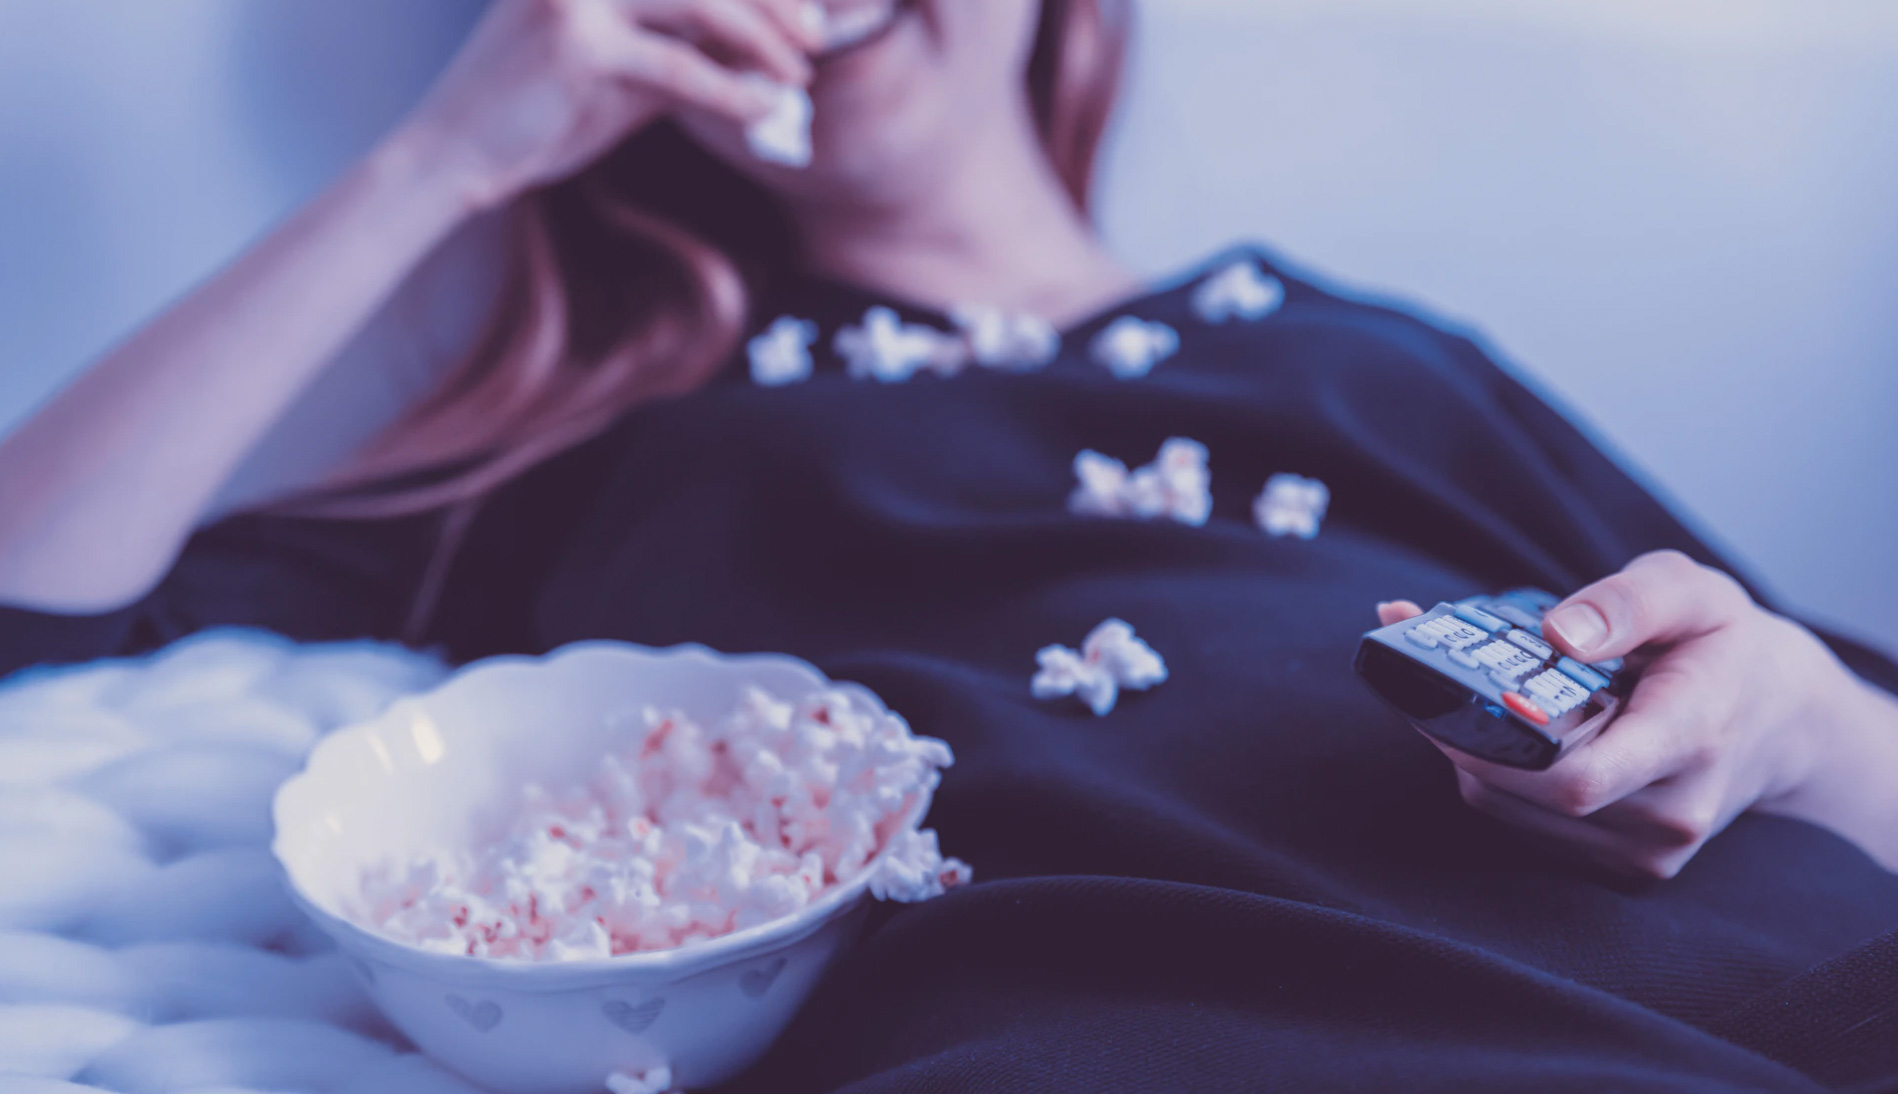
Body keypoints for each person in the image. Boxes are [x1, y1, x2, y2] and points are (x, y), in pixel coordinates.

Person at [2, 1, 1895, 1089]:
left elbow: (1854, 746)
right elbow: (36, 606)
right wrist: (454, 150)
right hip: (1143, 1039)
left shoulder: (1364, 354)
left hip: (1781, 979)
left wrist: (1795, 719)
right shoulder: (624, 447)